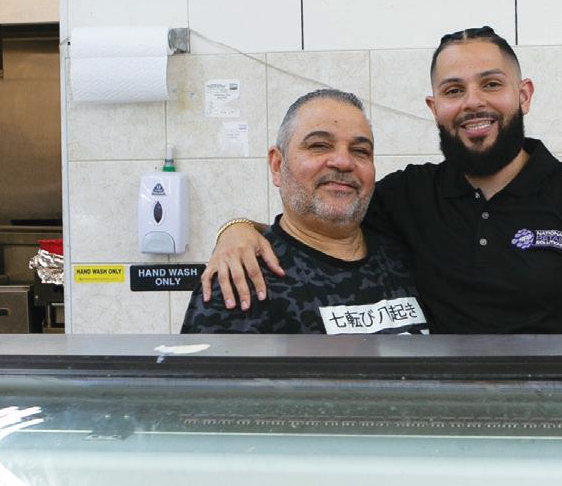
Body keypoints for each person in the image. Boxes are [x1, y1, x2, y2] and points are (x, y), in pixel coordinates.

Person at [200, 27, 562, 334]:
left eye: (491, 84)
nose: (473, 102)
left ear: (523, 96)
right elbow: (322, 217)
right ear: (434, 107)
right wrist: (236, 229)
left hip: (559, 439)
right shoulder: (407, 198)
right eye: (454, 90)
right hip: (445, 438)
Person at [180, 89, 426, 335]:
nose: (343, 162)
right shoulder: (241, 279)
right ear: (277, 165)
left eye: (360, 150)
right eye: (319, 146)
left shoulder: (408, 256)